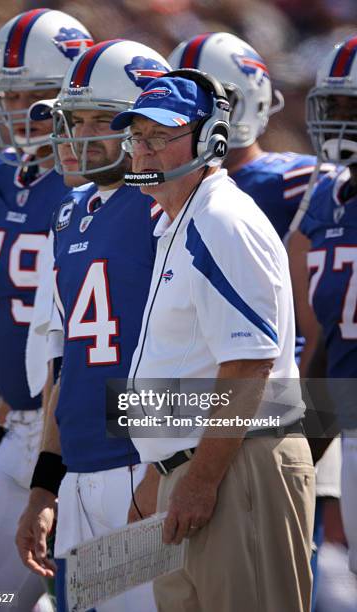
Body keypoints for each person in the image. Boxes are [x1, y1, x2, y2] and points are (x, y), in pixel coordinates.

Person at [110, 69, 316, 612]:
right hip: (205, 467)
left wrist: (199, 477)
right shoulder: (179, 222)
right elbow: (194, 362)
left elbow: (250, 365)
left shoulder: (220, 219)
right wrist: (164, 470)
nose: (143, 152)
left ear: (209, 140)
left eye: (159, 136)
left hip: (235, 467)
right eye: (137, 138)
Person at [168, 31, 339, 608]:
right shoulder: (163, 189)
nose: (204, 116)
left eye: (217, 101)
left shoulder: (300, 182)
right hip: (184, 408)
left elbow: (311, 324)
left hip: (270, 406)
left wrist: (317, 427)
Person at [15, 39, 170, 612]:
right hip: (79, 467)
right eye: (73, 119)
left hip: (141, 462)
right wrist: (44, 482)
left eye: (101, 119)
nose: (81, 135)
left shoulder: (170, 202)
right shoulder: (70, 209)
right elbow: (66, 359)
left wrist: (168, 466)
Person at [0, 10, 94, 611]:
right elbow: (13, 318)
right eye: (7, 94)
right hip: (17, 427)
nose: (17, 111)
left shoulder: (101, 187)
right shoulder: (2, 176)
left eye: (35, 96)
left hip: (84, 428)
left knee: (94, 596)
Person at [289, 35, 357, 577]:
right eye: (332, 105)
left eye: (351, 105)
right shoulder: (328, 204)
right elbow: (327, 344)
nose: (338, 119)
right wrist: (299, 456)